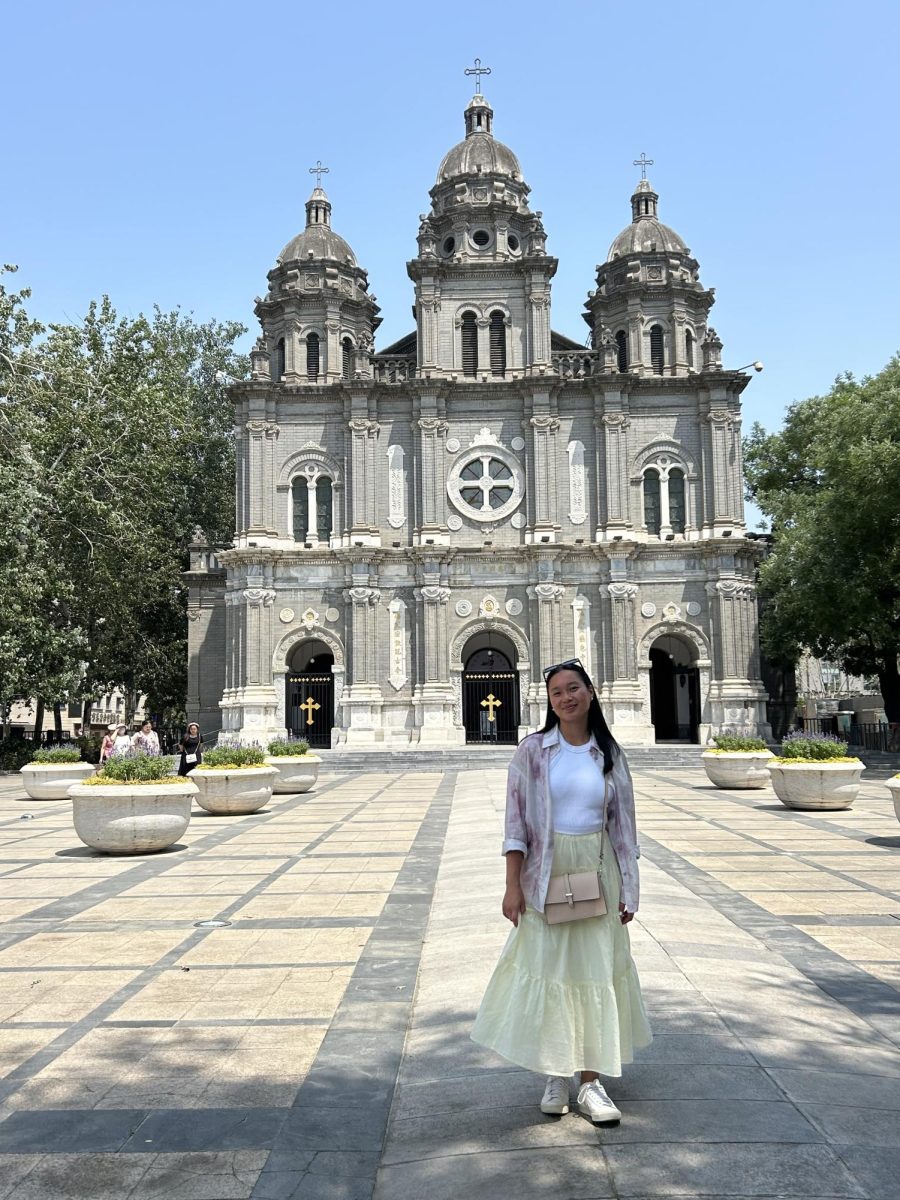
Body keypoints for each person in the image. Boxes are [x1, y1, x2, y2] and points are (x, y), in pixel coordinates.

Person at [471, 657, 652, 1124]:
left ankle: (591, 1083)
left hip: (597, 870)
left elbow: (625, 828)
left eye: (574, 688)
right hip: (546, 872)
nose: (566, 698)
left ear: (591, 693)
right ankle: (555, 1072)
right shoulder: (533, 751)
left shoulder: (609, 755)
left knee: (595, 972)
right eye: (557, 692)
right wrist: (512, 886)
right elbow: (516, 825)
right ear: (548, 702)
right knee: (550, 971)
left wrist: (628, 887)